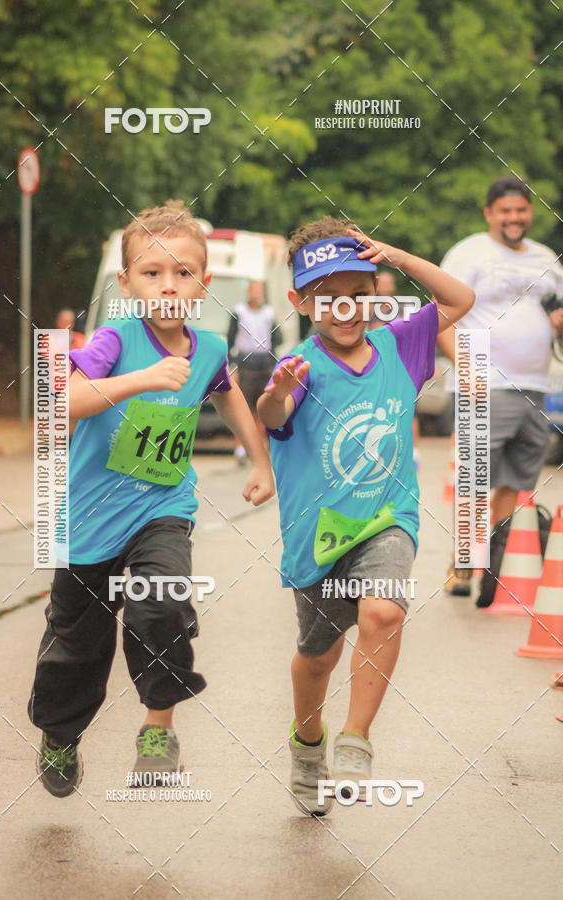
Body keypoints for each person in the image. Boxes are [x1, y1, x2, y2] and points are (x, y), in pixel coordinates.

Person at [28, 201, 275, 797]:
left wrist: (262, 461)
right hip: (87, 520)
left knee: (161, 602)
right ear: (126, 283)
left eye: (183, 273)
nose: (168, 285)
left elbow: (227, 394)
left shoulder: (212, 348)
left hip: (161, 507)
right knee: (76, 648)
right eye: (151, 272)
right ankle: (61, 734)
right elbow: (58, 408)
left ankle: (157, 728)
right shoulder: (115, 340)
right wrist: (141, 378)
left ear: (204, 285)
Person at [257, 217, 473, 816]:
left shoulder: (401, 345)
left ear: (376, 292)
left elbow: (460, 298)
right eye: (328, 297)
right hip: (317, 536)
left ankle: (356, 738)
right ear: (301, 302)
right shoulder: (300, 367)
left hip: (386, 519)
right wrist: (276, 393)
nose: (345, 308)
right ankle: (308, 743)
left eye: (358, 292)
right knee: (318, 656)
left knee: (382, 608)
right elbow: (272, 413)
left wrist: (396, 254)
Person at [438, 176, 563, 597]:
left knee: (515, 477)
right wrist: (465, 366)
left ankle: (495, 560)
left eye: (521, 210)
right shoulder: (469, 252)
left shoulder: (546, 257)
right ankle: (463, 566)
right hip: (483, 381)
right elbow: (441, 314)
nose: (514, 217)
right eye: (505, 210)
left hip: (535, 384)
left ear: (530, 213)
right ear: (489, 213)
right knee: (474, 477)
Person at [369, 270, 421, 468]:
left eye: (388, 282)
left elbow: (412, 335)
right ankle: (380, 448)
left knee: (409, 406)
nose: (385, 286)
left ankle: (413, 452)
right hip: (378, 365)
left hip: (401, 364)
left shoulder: (403, 308)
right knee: (380, 406)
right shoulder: (368, 308)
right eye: (382, 282)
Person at [227, 280, 282, 462]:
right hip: (245, 364)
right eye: (253, 289)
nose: (256, 293)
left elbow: (277, 338)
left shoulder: (268, 313)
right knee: (243, 408)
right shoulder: (239, 312)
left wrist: (274, 363)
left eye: (259, 289)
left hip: (264, 364)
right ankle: (240, 447)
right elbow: (230, 339)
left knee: (262, 408)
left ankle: (260, 445)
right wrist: (232, 366)